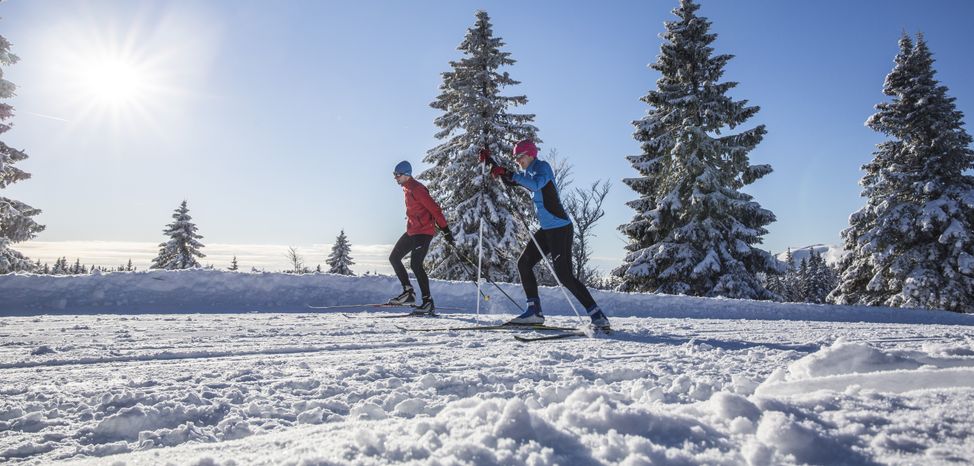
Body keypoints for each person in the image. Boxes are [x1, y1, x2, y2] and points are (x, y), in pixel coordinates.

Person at [481, 140, 610, 330]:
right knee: (523, 263)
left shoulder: (542, 168)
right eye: (516, 158)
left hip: (560, 229)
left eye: (520, 157)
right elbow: (511, 180)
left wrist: (509, 173)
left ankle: (597, 315)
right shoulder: (526, 172)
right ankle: (534, 311)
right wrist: (492, 163)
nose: (518, 161)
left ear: (530, 154)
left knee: (565, 276)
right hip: (547, 229)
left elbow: (534, 184)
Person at [388, 160, 454, 315]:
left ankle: (427, 302)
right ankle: (408, 293)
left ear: (407, 174)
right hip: (412, 231)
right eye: (394, 174)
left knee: (416, 264)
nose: (395, 177)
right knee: (394, 257)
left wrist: (446, 230)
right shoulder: (406, 188)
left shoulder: (417, 189)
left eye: (398, 175)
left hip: (423, 232)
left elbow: (435, 209)